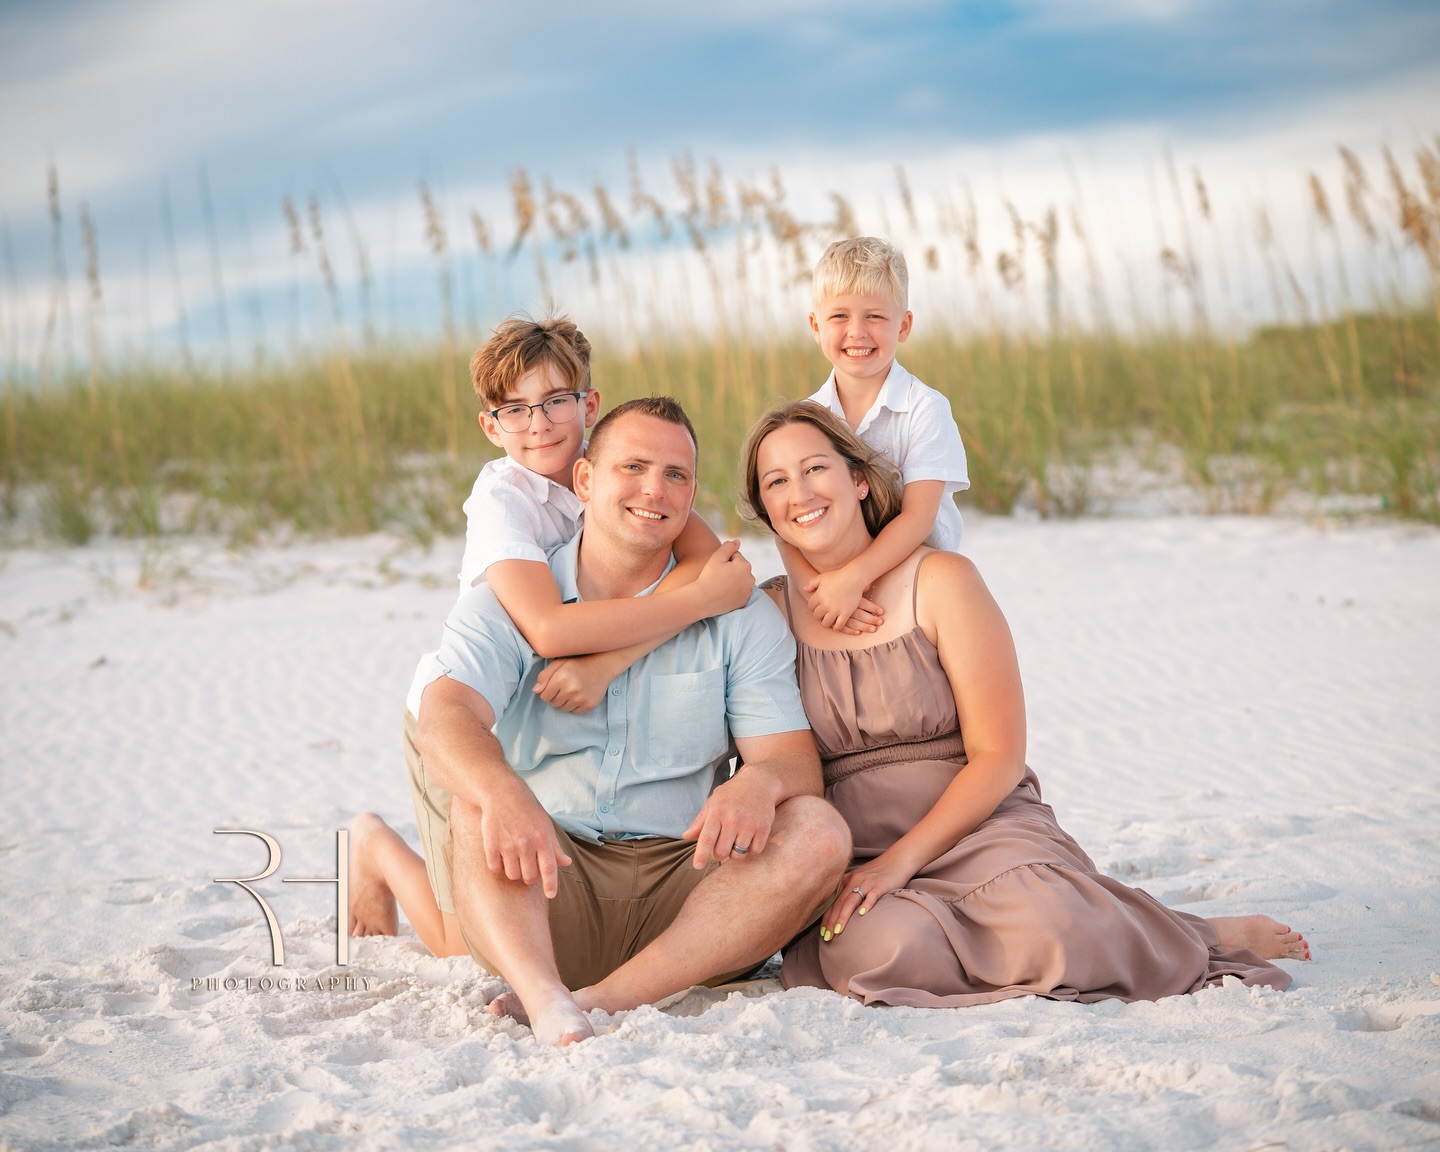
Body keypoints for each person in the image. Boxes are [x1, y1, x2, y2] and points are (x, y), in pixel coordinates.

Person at [740, 400, 1309, 1008]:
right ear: (767, 509)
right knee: (882, 952)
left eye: (815, 469)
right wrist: (876, 869)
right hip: (857, 853)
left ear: (857, 479)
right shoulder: (768, 615)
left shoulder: (941, 582)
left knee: (1054, 927)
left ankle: (1194, 933)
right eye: (776, 481)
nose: (799, 492)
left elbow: (999, 756)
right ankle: (1143, 928)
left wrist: (901, 863)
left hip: (982, 832)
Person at [359, 397, 852, 1044]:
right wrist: (503, 791)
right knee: (480, 798)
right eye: (635, 467)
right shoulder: (511, 600)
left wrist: (759, 784)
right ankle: (543, 998)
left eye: (676, 475)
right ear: (585, 480)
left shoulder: (736, 613)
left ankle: (604, 999)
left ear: (692, 493)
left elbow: (793, 763)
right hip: (545, 884)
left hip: (691, 896)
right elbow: (444, 717)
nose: (656, 489)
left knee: (817, 830)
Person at [348, 319, 753, 958]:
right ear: (492, 425)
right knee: (464, 942)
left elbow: (715, 566)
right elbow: (549, 627)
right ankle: (374, 847)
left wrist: (612, 662)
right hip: (466, 713)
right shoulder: (503, 502)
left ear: (588, 404)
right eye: (515, 409)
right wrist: (701, 602)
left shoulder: (631, 472)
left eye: (556, 400)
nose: (538, 424)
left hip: (546, 702)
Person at [787, 236, 970, 635]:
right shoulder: (806, 419)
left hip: (915, 573)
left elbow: (919, 518)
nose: (857, 332)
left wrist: (855, 578)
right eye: (839, 317)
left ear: (903, 325)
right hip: (831, 581)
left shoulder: (925, 408)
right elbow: (784, 520)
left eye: (875, 316)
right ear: (816, 326)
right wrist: (817, 591)